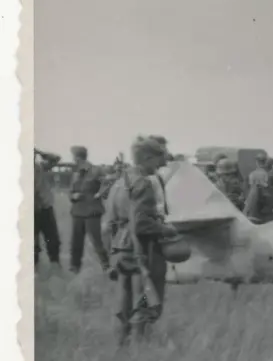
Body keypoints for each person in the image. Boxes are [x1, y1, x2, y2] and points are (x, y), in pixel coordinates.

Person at [106, 137, 179, 344]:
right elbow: (141, 225)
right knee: (146, 300)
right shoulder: (143, 184)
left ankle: (122, 345)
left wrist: (110, 254)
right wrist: (167, 230)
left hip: (121, 247)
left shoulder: (119, 183)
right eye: (158, 158)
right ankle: (140, 348)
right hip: (143, 249)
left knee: (125, 300)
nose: (162, 164)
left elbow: (108, 223)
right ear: (147, 158)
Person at [67, 145, 111, 273]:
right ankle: (75, 266)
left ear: (80, 157)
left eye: (76, 158)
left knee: (97, 241)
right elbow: (71, 192)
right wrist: (74, 195)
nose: (75, 161)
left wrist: (100, 194)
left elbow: (107, 183)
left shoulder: (96, 170)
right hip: (77, 212)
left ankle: (106, 266)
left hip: (92, 212)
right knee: (76, 241)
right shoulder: (75, 174)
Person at [33, 149, 62, 270]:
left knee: (53, 240)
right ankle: (34, 269)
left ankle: (55, 265)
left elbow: (56, 159)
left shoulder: (40, 166)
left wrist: (41, 153)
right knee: (32, 243)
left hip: (46, 209)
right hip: (31, 211)